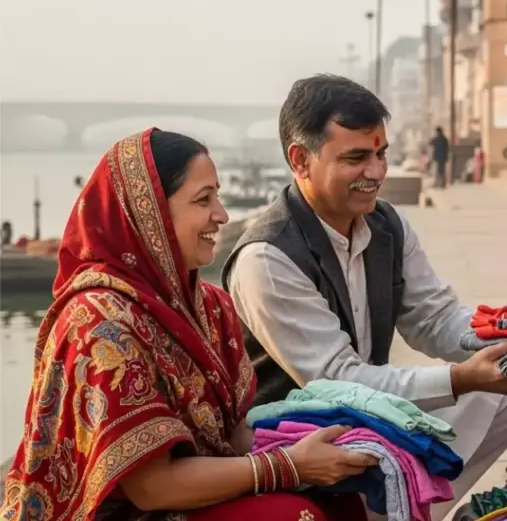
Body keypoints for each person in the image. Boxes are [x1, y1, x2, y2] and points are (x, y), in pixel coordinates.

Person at [0, 129, 375, 520]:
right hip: (127, 511)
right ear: (150, 215)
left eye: (218, 196)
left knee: (343, 499)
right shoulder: (98, 324)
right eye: (203, 200)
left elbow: (233, 436)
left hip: (196, 492)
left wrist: (332, 447)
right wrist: (288, 465)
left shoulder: (209, 306)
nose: (222, 215)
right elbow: (151, 488)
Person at [222, 75, 507, 519]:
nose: (377, 172)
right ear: (300, 160)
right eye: (356, 158)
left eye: (381, 154)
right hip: (299, 439)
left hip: (367, 412)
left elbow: (435, 318)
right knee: (471, 390)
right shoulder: (268, 258)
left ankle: (402, 512)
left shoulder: (387, 226)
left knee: (503, 401)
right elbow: (339, 380)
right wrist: (461, 378)